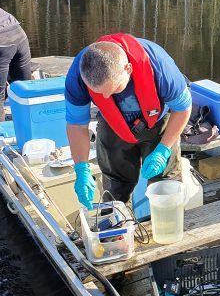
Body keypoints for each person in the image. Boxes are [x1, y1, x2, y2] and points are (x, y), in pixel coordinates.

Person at [64, 33, 192, 209]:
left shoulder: (161, 68)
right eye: (99, 93)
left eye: (114, 88)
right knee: (115, 186)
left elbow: (183, 108)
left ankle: (168, 226)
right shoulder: (76, 77)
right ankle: (119, 230)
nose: (107, 97)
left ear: (128, 69)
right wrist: (81, 168)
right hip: (113, 123)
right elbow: (77, 125)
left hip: (158, 122)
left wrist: (163, 149)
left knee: (165, 183)